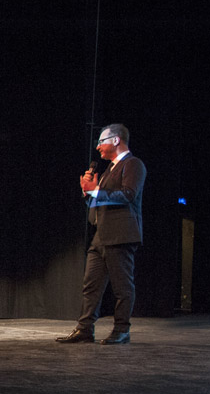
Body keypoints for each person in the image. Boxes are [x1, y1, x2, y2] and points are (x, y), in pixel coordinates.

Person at [57, 123, 146, 345]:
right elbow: (101, 200)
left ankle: (122, 329)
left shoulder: (133, 164)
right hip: (101, 235)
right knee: (91, 284)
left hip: (121, 234)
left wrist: (96, 191)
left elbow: (128, 194)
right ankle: (85, 329)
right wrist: (88, 193)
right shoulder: (108, 170)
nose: (98, 147)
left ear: (116, 140)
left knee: (122, 286)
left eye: (101, 141)